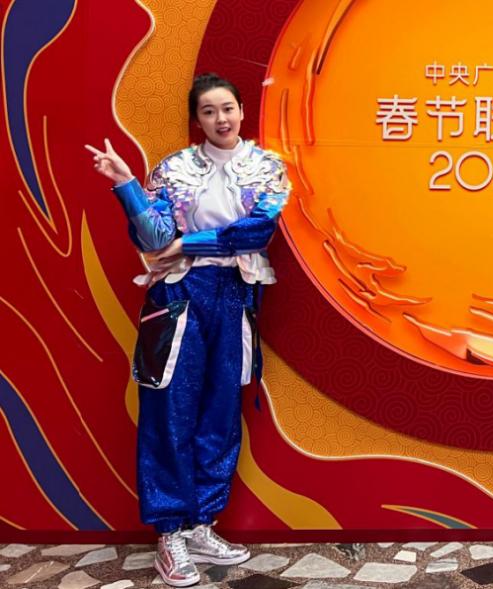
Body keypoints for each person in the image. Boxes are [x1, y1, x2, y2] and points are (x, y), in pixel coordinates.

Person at [86, 73, 290, 587]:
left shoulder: (268, 168)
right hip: (179, 295)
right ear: (197, 119)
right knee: (170, 410)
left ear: (242, 110)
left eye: (227, 108)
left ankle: (202, 522)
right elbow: (154, 238)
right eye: (208, 111)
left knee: (221, 412)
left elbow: (257, 231)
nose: (221, 119)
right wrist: (126, 184)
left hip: (235, 294)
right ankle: (170, 532)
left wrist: (187, 242)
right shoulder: (173, 169)